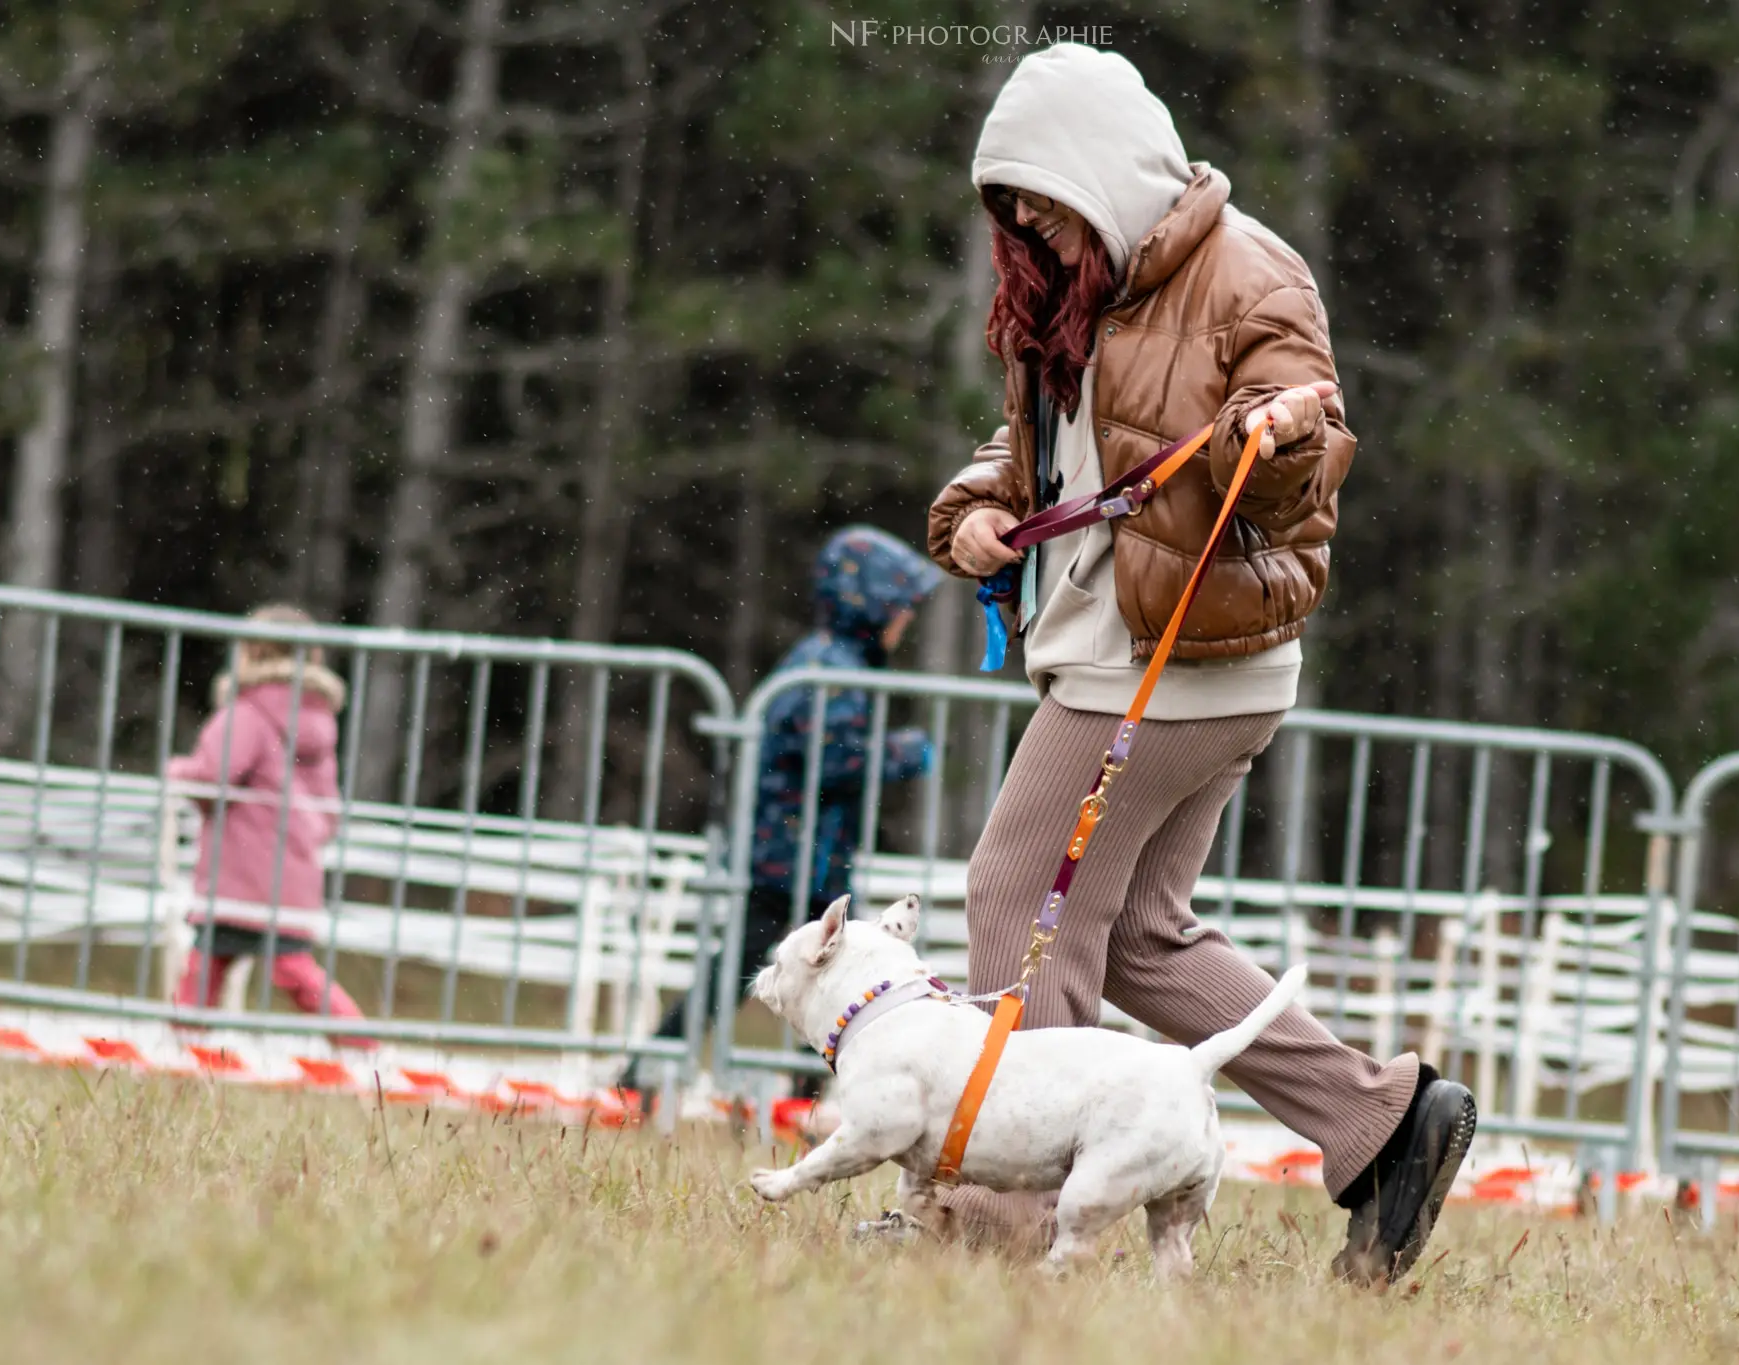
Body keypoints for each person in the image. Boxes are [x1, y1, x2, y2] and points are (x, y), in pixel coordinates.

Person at [919, 44, 1475, 1285]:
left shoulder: (1250, 272)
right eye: (1010, 210)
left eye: (1045, 202)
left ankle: (1009, 1224)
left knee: (1018, 898)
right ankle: (1382, 1124)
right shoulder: (1077, 296)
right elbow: (1040, 455)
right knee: (1136, 939)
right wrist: (971, 514)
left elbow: (1305, 436)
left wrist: (1276, 435)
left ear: (1104, 173)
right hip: (1139, 658)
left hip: (1166, 665)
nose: (1031, 229)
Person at [624, 526, 939, 1089]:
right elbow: (836, 761)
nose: (906, 621)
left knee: (782, 970)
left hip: (803, 853)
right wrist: (904, 752)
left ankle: (781, 1084)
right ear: (868, 607)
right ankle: (661, 1073)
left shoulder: (835, 663)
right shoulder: (832, 671)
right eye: (900, 608)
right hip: (794, 858)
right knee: (803, 973)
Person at [167, 605, 368, 1037]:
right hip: (291, 873)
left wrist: (177, 771)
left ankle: (182, 1046)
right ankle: (361, 1044)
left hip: (238, 872)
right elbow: (327, 804)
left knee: (204, 968)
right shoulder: (317, 720)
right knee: (295, 971)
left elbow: (211, 776)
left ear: (250, 654)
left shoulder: (246, 714)